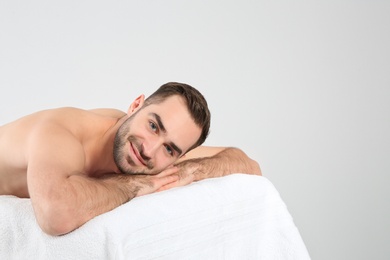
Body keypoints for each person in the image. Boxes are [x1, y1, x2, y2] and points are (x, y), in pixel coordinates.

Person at [0, 82, 261, 236]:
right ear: (136, 105)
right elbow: (55, 214)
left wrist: (187, 172)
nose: (150, 150)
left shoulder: (161, 155)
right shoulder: (61, 130)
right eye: (154, 126)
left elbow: (247, 164)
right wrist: (136, 185)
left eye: (170, 150)